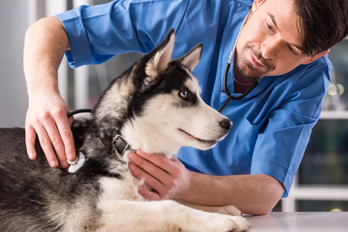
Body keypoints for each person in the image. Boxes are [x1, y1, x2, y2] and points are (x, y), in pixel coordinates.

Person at [23, 0, 348, 215]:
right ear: (259, 0)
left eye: (291, 48)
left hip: (211, 212)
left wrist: (187, 185)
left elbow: (267, 191)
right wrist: (42, 93)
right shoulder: (191, 10)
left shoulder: (310, 80)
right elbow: (51, 29)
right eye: (269, 26)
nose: (265, 50)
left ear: (315, 56)